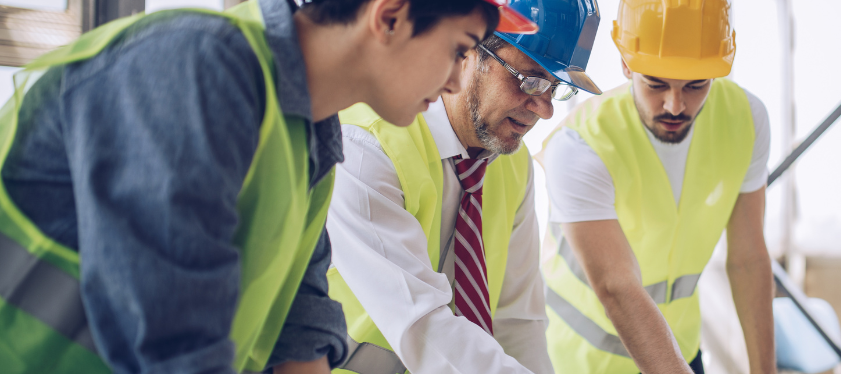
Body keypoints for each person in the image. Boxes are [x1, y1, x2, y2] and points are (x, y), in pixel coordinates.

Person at [0, 0, 531, 372]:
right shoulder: (195, 68)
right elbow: (174, 339)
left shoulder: (310, 138)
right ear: (389, 16)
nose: (459, 81)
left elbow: (299, 328)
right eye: (460, 50)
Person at [323, 0, 600, 373]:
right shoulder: (364, 148)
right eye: (530, 79)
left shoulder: (513, 164)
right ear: (469, 48)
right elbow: (422, 326)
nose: (544, 109)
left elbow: (518, 323)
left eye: (555, 88)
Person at [538, 0, 777, 373]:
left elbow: (749, 260)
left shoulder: (746, 120)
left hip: (679, 352)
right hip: (584, 363)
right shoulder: (580, 144)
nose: (675, 105)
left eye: (696, 85)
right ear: (626, 64)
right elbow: (616, 285)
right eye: (656, 83)